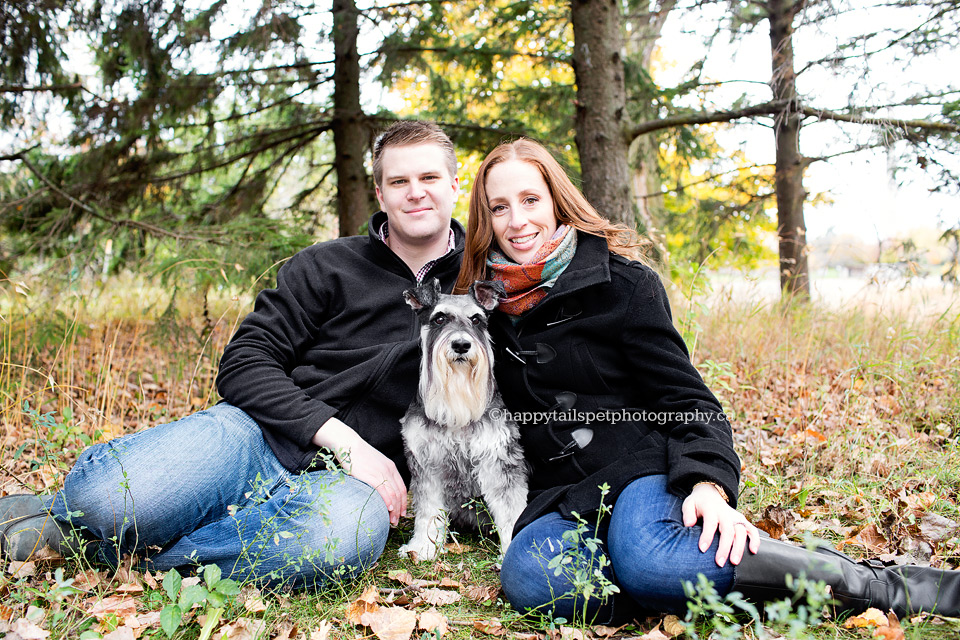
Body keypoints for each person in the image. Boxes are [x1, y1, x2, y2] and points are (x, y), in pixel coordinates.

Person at [455, 138, 960, 622]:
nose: (517, 221)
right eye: (499, 208)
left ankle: (875, 583)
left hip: (642, 469)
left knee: (649, 558)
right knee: (528, 577)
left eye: (530, 200)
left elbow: (689, 399)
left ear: (557, 202)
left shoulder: (625, 285)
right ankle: (669, 584)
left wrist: (707, 481)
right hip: (565, 496)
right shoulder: (480, 310)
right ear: (486, 219)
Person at [0, 120, 465, 589]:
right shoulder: (328, 264)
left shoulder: (482, 291)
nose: (415, 193)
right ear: (381, 195)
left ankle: (117, 555)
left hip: (352, 485)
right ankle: (77, 517)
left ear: (454, 183)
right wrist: (346, 442)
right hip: (257, 435)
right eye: (399, 181)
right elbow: (244, 362)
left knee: (342, 538)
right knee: (103, 498)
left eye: (428, 178)